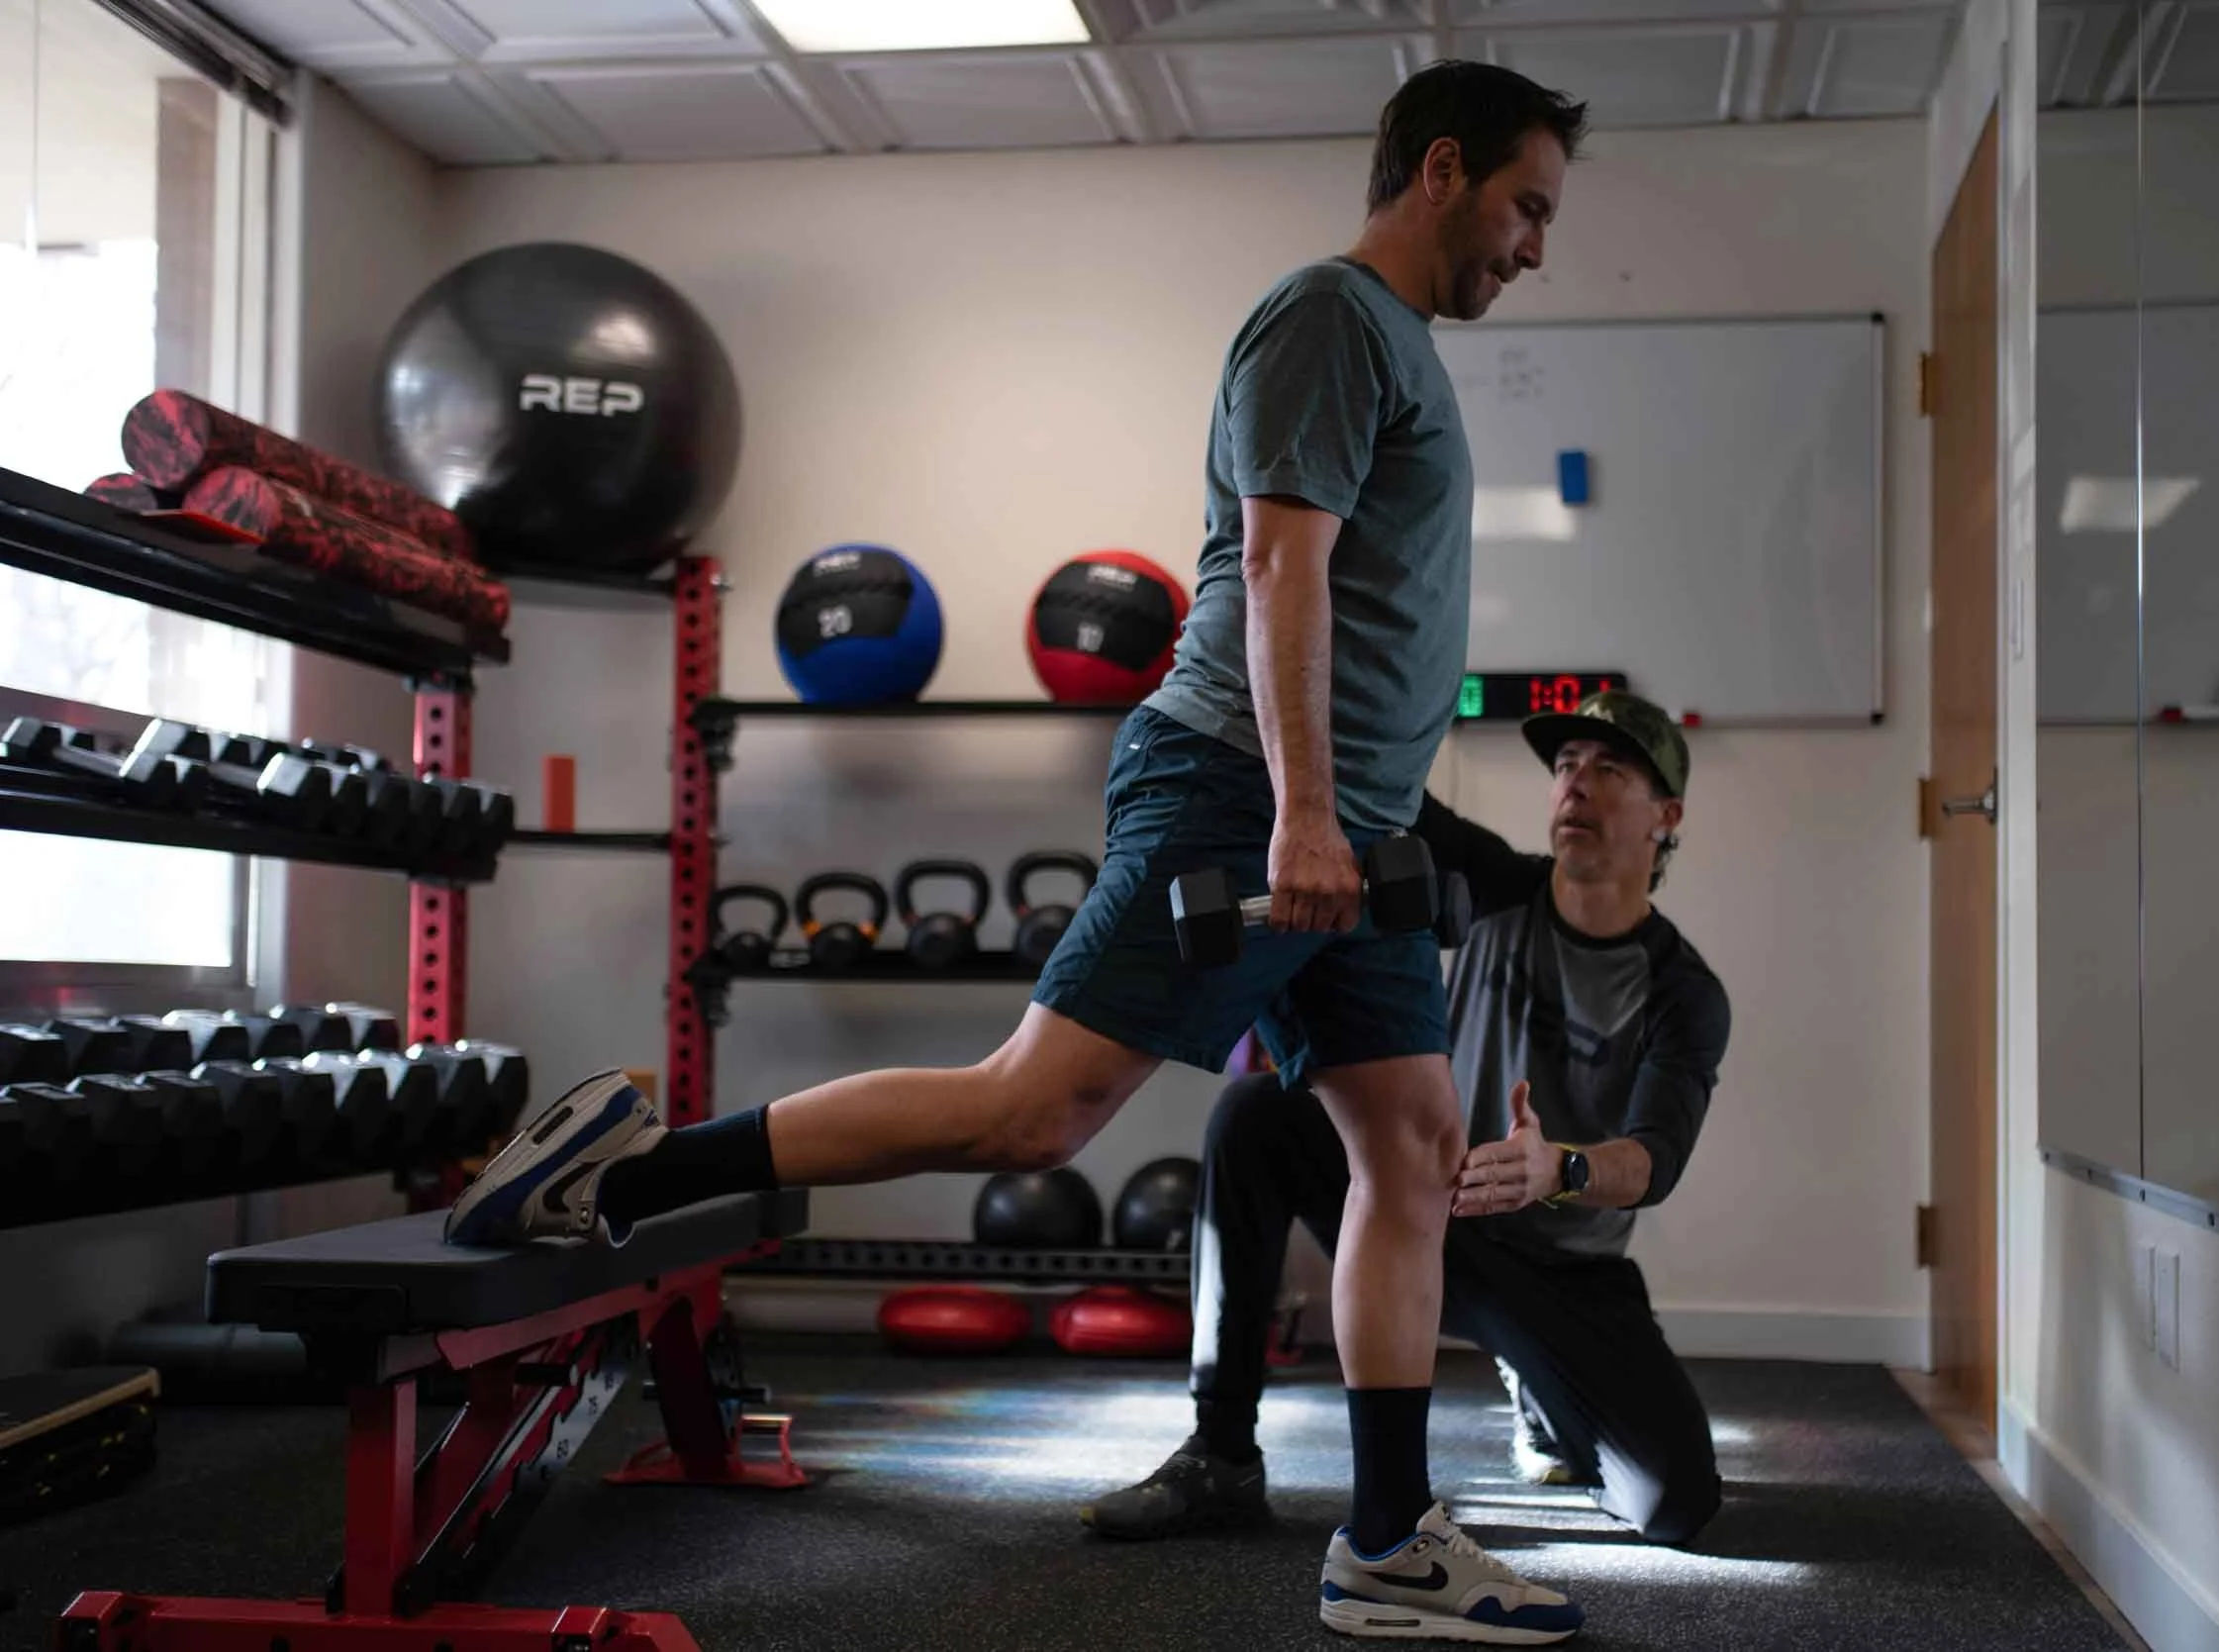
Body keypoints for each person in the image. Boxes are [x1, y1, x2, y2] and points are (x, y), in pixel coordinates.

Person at [444, 58, 1593, 1646]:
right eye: (1528, 206)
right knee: (1029, 1112)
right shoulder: (1331, 319)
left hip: (1349, 816)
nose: (1536, 246)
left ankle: (1389, 1541)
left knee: (1410, 1147)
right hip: (1243, 788)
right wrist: (1304, 813)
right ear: (1443, 168)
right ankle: (619, 1174)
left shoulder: (1401, 347)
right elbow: (1280, 568)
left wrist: (1349, 813)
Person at [1083, 691, 1730, 1549]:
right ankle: (1222, 1450)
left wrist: (1558, 1168)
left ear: (1666, 816)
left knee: (1676, 1503)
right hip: (1433, 1211)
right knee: (1256, 1116)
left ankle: (1541, 1396)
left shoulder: (1684, 990)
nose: (1576, 784)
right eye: (1567, 764)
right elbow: (1373, 779)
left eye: (1610, 769)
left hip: (1562, 1273)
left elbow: (1654, 1158)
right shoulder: (1494, 885)